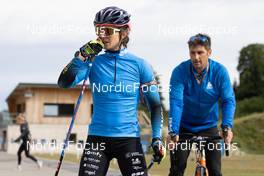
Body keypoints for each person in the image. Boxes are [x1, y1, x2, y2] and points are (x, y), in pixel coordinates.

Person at [58, 6, 165, 176]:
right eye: (98, 30)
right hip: (97, 139)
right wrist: (81, 57)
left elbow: (155, 105)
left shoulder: (140, 65)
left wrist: (157, 138)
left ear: (124, 32)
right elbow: (64, 83)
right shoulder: (93, 62)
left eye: (107, 30)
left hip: (128, 139)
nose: (102, 35)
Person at [168, 33, 236, 176]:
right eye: (192, 53)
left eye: (200, 52)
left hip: (209, 126)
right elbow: (176, 102)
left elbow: (228, 101)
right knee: (177, 169)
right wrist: (173, 131)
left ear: (209, 52)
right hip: (184, 127)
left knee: (215, 171)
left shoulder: (220, 72)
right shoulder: (179, 72)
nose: (196, 57)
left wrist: (227, 127)